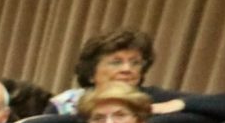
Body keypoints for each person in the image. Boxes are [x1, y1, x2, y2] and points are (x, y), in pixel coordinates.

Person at [50, 29, 182, 117]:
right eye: (116, 62)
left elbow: (195, 101)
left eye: (135, 63)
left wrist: (177, 104)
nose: (127, 69)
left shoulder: (150, 97)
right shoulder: (65, 104)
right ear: (91, 72)